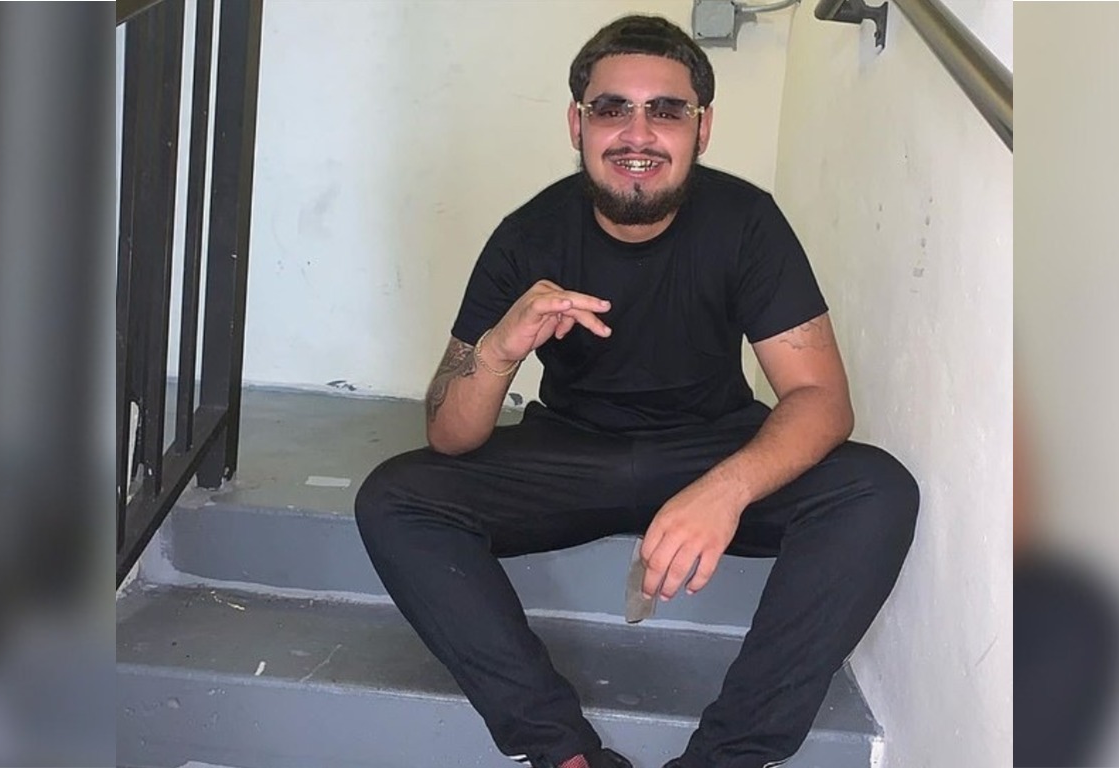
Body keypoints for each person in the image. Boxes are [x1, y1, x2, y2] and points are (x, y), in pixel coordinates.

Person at [355, 14, 919, 768]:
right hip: (569, 455)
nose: (638, 133)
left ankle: (726, 760)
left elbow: (821, 397)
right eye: (612, 108)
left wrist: (724, 491)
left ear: (702, 128)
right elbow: (449, 435)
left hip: (711, 447)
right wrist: (498, 349)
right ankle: (564, 754)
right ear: (577, 124)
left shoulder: (746, 223)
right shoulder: (528, 235)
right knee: (395, 498)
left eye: (667, 110)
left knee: (876, 489)